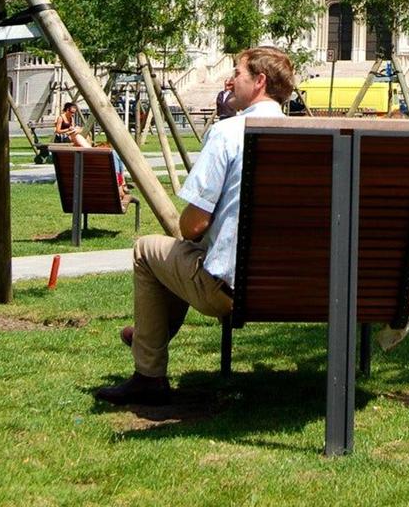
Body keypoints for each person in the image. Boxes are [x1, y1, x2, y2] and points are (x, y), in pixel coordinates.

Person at [96, 46, 295, 406]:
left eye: (238, 73)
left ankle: (148, 374)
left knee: (150, 250)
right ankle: (146, 337)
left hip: (231, 289)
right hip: (296, 285)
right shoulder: (308, 138)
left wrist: (201, 231)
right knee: (183, 256)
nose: (229, 79)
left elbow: (192, 224)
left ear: (260, 82)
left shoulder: (227, 133)